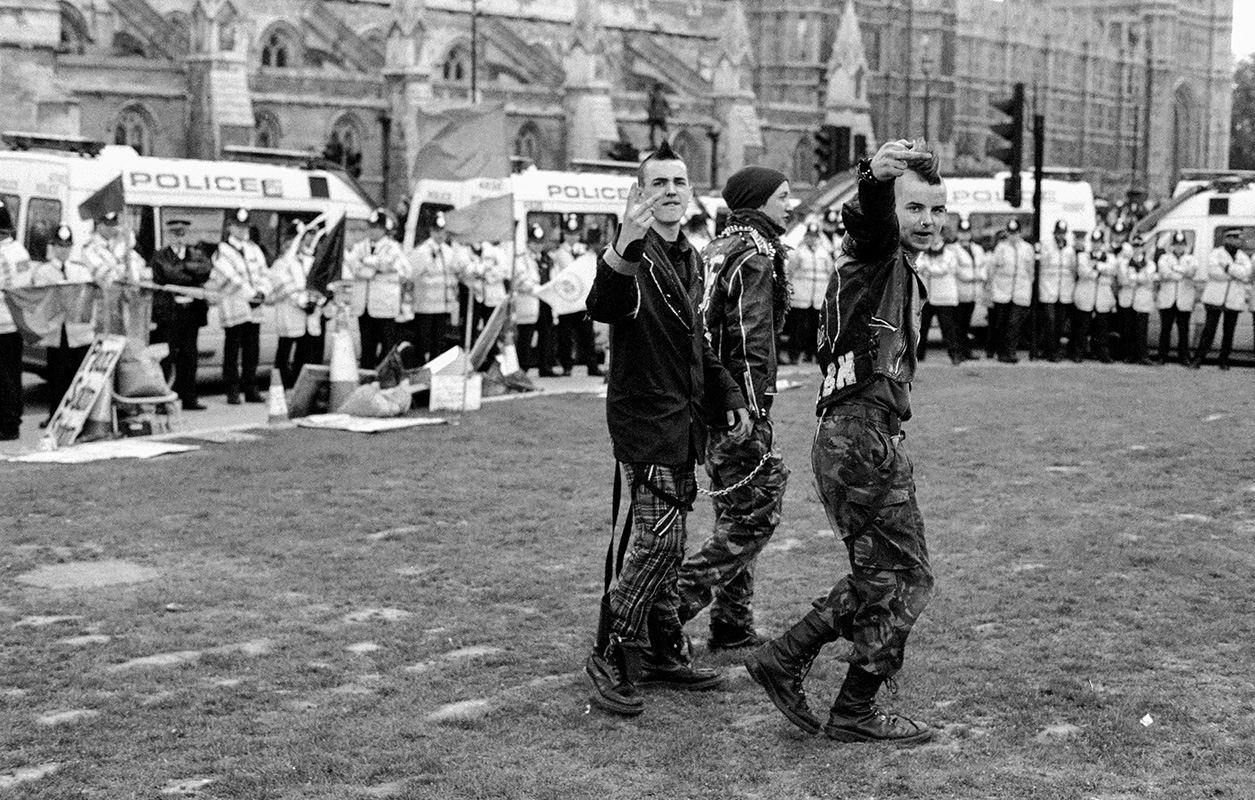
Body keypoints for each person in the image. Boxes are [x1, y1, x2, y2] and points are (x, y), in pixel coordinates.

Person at [744, 138, 940, 745]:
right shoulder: (878, 253)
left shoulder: (890, 265)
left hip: (854, 433)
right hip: (859, 435)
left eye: (935, 210)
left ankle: (785, 657)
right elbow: (868, 223)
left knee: (881, 575)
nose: (927, 221)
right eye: (914, 209)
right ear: (891, 215)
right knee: (907, 578)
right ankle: (853, 708)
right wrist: (873, 179)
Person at [583, 141, 750, 717]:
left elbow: (696, 343)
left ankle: (660, 650)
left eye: (679, 181)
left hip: (682, 420)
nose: (672, 191)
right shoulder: (635, 253)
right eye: (659, 183)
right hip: (645, 417)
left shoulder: (692, 259)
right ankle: (610, 648)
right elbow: (603, 304)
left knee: (669, 544)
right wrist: (625, 242)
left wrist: (725, 393)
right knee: (659, 540)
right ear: (640, 193)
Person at [676, 165, 793, 653]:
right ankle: (664, 610)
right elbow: (749, 340)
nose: (790, 204)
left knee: (733, 510)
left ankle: (731, 622)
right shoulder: (755, 257)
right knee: (754, 514)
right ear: (759, 201)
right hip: (735, 407)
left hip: (707, 402)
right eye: (783, 196)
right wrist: (752, 404)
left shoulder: (716, 250)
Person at [31, 224, 96, 425]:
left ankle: (79, 417)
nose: (63, 251)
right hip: (57, 331)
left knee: (79, 374)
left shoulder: (80, 270)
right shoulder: (44, 272)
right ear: (53, 247)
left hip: (78, 333)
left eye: (67, 247)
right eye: (59, 246)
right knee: (57, 376)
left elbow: (87, 298)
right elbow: (42, 300)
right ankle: (55, 415)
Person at [150, 218, 213, 410]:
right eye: (175, 234)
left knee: (189, 356)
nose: (179, 238)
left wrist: (183, 273)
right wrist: (189, 275)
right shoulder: (160, 255)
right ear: (168, 235)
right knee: (167, 358)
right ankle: (163, 399)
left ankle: (189, 398)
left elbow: (205, 272)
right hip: (170, 313)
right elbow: (166, 275)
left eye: (183, 234)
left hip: (191, 313)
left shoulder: (196, 253)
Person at [209, 208, 270, 404]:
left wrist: (262, 292)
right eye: (239, 226)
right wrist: (252, 295)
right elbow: (230, 278)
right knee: (232, 352)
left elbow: (264, 273)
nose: (243, 230)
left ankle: (251, 389)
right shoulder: (222, 250)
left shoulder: (254, 248)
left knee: (252, 352)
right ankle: (232, 390)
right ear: (230, 227)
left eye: (245, 226)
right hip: (234, 308)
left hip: (254, 309)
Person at [345, 209, 407, 370]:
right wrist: (374, 269)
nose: (373, 231)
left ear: (384, 230)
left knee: (387, 346)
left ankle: (385, 379)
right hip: (364, 306)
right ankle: (366, 379)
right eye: (371, 227)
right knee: (367, 347)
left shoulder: (392, 247)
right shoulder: (360, 246)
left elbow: (392, 265)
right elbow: (354, 266)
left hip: (384, 306)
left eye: (377, 228)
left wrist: (369, 263)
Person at [270, 222, 327, 389]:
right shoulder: (282, 263)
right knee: (284, 352)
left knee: (304, 354)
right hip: (290, 312)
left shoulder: (311, 261)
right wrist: (302, 301)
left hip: (308, 317)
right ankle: (279, 387)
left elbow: (317, 284)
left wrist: (316, 300)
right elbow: (285, 285)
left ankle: (299, 387)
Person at [81, 209, 150, 340]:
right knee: (105, 344)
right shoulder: (89, 248)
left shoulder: (122, 245)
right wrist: (123, 267)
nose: (111, 229)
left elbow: (139, 266)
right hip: (102, 307)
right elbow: (102, 274)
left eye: (113, 225)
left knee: (125, 344)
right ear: (99, 225)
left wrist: (126, 258)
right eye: (107, 225)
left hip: (123, 306)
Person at [1191, 227, 1253, 370]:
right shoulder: (1216, 253)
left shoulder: (1243, 256)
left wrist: (1227, 268)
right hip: (1215, 297)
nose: (1235, 241)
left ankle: (1224, 360)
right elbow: (1213, 272)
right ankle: (1199, 358)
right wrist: (1234, 273)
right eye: (1232, 238)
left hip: (1233, 299)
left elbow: (1246, 274)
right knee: (1209, 331)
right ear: (1226, 239)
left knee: (1229, 332)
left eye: (1237, 238)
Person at [0, 206, 34, 440]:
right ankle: (14, 419)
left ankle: (8, 423)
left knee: (3, 377)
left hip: (1, 321)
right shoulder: (19, 250)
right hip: (17, 321)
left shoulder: (2, 254)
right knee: (13, 373)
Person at [408, 216, 459, 365]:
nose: (440, 235)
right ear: (431, 231)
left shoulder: (449, 251)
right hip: (425, 305)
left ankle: (435, 371)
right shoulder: (422, 251)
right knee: (422, 341)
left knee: (439, 342)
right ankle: (418, 369)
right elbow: (412, 274)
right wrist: (429, 261)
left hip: (442, 306)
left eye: (442, 231)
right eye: (437, 231)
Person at [785, 223, 832, 364]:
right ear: (805, 237)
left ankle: (812, 355)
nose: (812, 239)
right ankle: (794, 355)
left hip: (818, 297)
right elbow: (790, 272)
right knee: (798, 329)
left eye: (815, 237)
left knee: (816, 329)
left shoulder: (824, 254)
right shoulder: (798, 253)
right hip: (801, 297)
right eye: (810, 236)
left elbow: (830, 273)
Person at [987, 219, 1034, 363]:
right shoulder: (1001, 247)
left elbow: (1031, 270)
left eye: (1016, 233)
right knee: (1001, 323)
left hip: (1019, 290)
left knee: (1014, 323)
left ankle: (1010, 352)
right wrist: (991, 287)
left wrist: (1028, 286)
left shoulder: (1027, 248)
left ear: (1020, 233)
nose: (1013, 236)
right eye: (1011, 233)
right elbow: (992, 268)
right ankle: (1001, 352)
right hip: (1002, 290)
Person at [915, 233, 964, 364]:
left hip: (944, 297)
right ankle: (919, 354)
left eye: (937, 235)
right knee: (922, 327)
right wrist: (927, 268)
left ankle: (954, 355)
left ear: (942, 238)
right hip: (927, 297)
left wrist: (928, 268)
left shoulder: (949, 253)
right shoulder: (923, 252)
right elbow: (917, 266)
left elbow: (943, 269)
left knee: (948, 328)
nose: (934, 238)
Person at [1069, 229, 1115, 363]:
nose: (1096, 245)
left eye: (1099, 242)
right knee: (1082, 327)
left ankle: (1101, 353)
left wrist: (1097, 266)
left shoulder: (1110, 257)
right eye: (1094, 242)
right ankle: (1079, 352)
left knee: (1101, 328)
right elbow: (1083, 272)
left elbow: (1112, 270)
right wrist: (1099, 272)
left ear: (1102, 243)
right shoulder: (1083, 255)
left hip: (1103, 297)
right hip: (1085, 295)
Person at [1154, 232, 1198, 364]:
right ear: (1172, 245)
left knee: (1184, 330)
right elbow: (1164, 273)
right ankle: (1162, 356)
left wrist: (1174, 268)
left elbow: (1192, 272)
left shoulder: (1192, 258)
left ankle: (1183, 356)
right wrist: (1181, 272)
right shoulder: (1164, 258)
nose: (1179, 248)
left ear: (1185, 246)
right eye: (1176, 245)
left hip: (1184, 300)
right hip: (1168, 299)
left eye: (1181, 245)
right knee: (1165, 329)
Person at [1037, 221, 1076, 362]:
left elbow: (1073, 270)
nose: (1060, 236)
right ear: (1054, 233)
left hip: (1064, 292)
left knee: (1059, 325)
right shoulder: (1047, 247)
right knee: (1050, 322)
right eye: (1058, 233)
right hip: (1049, 290)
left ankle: (1053, 350)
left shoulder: (1070, 251)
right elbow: (1041, 265)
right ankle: (1050, 351)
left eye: (1062, 233)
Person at [948, 219, 985, 360]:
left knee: (967, 324)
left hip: (974, 293)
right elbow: (957, 270)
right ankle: (961, 351)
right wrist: (973, 277)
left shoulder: (977, 249)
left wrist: (979, 276)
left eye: (967, 232)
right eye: (962, 232)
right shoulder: (953, 249)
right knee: (959, 324)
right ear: (958, 233)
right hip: (960, 292)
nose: (964, 235)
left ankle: (965, 350)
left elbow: (983, 267)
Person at [1120, 235, 1156, 365]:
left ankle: (1142, 356)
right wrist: (1139, 277)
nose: (1137, 249)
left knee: (1141, 330)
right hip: (1128, 299)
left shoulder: (1150, 263)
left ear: (1144, 247)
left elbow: (1147, 278)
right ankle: (1129, 355)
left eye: (1139, 246)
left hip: (1142, 300)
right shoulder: (1124, 262)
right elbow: (1123, 279)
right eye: (1134, 246)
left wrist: (1134, 277)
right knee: (1128, 329)